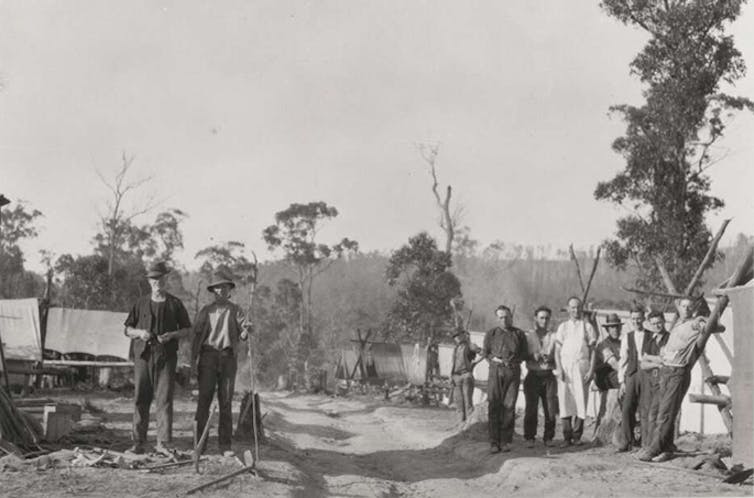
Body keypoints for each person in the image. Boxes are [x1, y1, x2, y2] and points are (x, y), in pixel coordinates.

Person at [124, 261, 192, 455]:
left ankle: (163, 443)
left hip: (166, 357)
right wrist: (139, 333)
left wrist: (171, 335)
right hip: (143, 357)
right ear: (149, 281)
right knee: (141, 398)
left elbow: (187, 329)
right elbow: (127, 329)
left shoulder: (175, 304)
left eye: (160, 278)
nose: (156, 282)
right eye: (153, 279)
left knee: (164, 400)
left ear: (166, 279)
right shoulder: (140, 303)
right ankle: (138, 442)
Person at [638, 312, 717, 462]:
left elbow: (715, 325)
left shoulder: (693, 325)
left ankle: (653, 450)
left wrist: (702, 321)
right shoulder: (677, 327)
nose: (686, 309)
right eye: (683, 306)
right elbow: (646, 360)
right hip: (666, 372)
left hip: (677, 372)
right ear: (678, 308)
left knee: (665, 413)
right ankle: (666, 448)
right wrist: (657, 360)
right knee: (659, 412)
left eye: (689, 306)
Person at [191, 270, 250, 455]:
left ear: (229, 290)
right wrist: (193, 361)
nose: (220, 292)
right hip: (208, 358)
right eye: (217, 289)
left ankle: (225, 446)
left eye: (224, 288)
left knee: (225, 401)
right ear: (213, 291)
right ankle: (199, 444)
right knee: (204, 401)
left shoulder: (236, 310)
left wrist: (246, 332)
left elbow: (243, 331)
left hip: (227, 358)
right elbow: (196, 335)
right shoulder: (206, 311)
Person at [483, 305, 528, 453]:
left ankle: (506, 441)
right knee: (494, 405)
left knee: (509, 406)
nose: (504, 320)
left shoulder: (519, 334)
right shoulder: (491, 334)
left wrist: (514, 361)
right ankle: (494, 442)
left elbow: (524, 354)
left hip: (512, 371)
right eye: (501, 317)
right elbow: (486, 352)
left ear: (511, 317)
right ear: (497, 318)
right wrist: (494, 360)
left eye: (507, 317)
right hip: (495, 371)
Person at [554, 296, 597, 447]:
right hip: (565, 367)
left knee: (581, 401)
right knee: (565, 401)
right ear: (568, 309)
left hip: (581, 367)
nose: (575, 310)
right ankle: (566, 437)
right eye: (572, 307)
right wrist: (559, 368)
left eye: (578, 307)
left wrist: (591, 370)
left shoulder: (587, 327)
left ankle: (577, 436)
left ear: (582, 308)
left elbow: (593, 352)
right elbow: (557, 351)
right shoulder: (563, 327)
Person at [523, 306, 558, 448]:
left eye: (547, 318)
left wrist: (552, 358)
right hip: (533, 375)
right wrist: (532, 356)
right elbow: (521, 354)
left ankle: (548, 437)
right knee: (531, 408)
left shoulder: (554, 336)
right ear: (536, 319)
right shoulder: (528, 336)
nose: (544, 320)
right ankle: (530, 437)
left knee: (550, 408)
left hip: (548, 376)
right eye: (541, 317)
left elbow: (561, 356)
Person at [636, 310, 670, 451]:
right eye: (654, 323)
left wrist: (650, 358)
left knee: (656, 414)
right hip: (650, 380)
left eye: (659, 322)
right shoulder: (650, 341)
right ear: (650, 324)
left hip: (664, 380)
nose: (657, 326)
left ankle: (655, 446)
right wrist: (656, 362)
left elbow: (666, 360)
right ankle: (648, 444)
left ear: (664, 321)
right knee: (647, 412)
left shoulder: (669, 338)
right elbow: (643, 363)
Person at [616, 306, 646, 451]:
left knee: (645, 408)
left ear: (644, 318)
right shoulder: (627, 337)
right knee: (627, 407)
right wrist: (622, 381)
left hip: (646, 374)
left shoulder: (651, 335)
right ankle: (626, 441)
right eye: (633, 319)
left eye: (639, 318)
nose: (636, 321)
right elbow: (623, 360)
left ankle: (644, 441)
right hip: (632, 373)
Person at [450, 328, 481, 422]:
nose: (457, 338)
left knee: (468, 403)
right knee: (459, 403)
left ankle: (468, 426)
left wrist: (475, 363)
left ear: (463, 335)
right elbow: (453, 363)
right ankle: (460, 425)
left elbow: (483, 353)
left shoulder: (470, 346)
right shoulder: (456, 349)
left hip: (466, 375)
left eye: (458, 335)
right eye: (455, 336)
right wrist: (451, 376)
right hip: (456, 377)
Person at [594, 313, 623, 391]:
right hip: (607, 378)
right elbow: (614, 364)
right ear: (607, 329)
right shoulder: (603, 345)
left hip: (619, 375)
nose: (615, 330)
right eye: (612, 327)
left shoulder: (623, 343)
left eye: (617, 327)